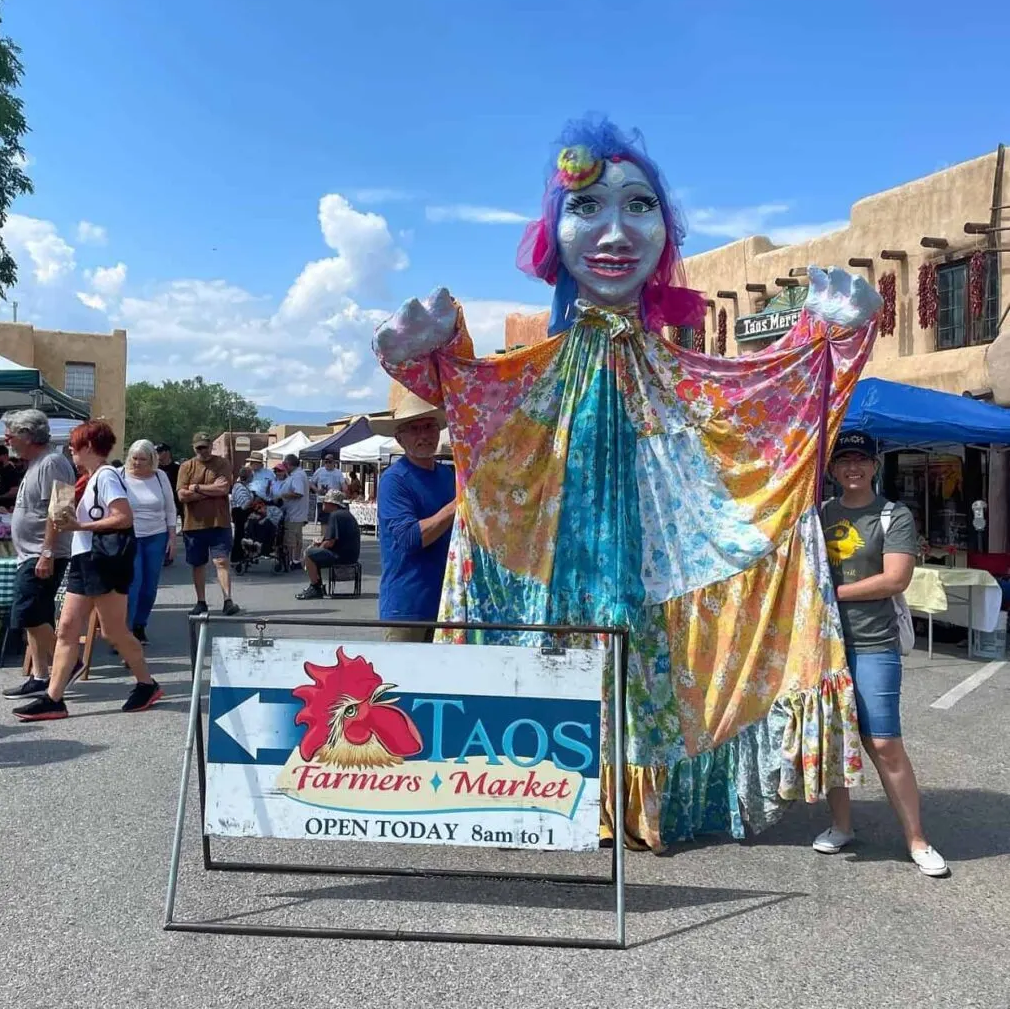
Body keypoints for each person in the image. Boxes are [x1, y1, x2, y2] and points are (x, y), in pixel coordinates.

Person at [373, 115, 883, 851]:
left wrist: (820, 339)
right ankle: (545, 787)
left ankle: (648, 799)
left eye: (639, 206)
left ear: (664, 234)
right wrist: (435, 356)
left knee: (653, 650)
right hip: (560, 558)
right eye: (587, 207)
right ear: (555, 233)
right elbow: (477, 406)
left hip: (656, 563)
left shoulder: (677, 372)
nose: (615, 232)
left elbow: (765, 409)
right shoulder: (534, 372)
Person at [816, 431, 947, 877]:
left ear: (875, 467)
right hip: (825, 645)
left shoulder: (894, 516)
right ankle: (841, 825)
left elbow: (895, 580)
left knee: (884, 741)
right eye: (844, 459)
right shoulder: (819, 514)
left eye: (861, 460)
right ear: (832, 469)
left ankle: (917, 839)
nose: (853, 467)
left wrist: (832, 593)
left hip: (874, 643)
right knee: (834, 736)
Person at [13, 420, 162, 721]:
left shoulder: (105, 476)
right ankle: (54, 698)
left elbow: (123, 517)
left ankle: (147, 683)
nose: (70, 448)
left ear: (90, 446)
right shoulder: (91, 477)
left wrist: (81, 525)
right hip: (86, 561)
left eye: (75, 443)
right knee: (67, 628)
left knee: (114, 631)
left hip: (101, 562)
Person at [1, 410, 77, 701]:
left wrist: (46, 552)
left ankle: (67, 663)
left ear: (30, 435)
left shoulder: (53, 463)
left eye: (13, 432)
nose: (7, 438)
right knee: (37, 616)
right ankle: (40, 676)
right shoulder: (36, 463)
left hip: (44, 553)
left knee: (27, 613)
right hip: (30, 553)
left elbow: (59, 509)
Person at [367, 393, 455, 641]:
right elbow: (410, 539)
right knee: (402, 679)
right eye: (414, 429)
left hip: (448, 606)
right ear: (399, 438)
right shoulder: (394, 480)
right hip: (407, 609)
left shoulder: (448, 476)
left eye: (429, 426)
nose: (424, 435)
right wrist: (456, 506)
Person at [177, 432, 239, 616]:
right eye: (199, 448)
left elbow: (224, 488)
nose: (203, 451)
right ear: (194, 448)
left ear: (211, 446)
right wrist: (211, 491)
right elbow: (181, 495)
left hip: (219, 522)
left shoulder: (222, 463)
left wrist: (195, 488)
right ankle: (201, 601)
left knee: (221, 561)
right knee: (198, 564)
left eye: (205, 446)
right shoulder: (187, 466)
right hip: (194, 524)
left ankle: (228, 600)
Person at [122, 439, 177, 644]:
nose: (137, 463)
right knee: (132, 584)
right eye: (134, 458)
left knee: (150, 586)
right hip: (130, 536)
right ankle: (124, 631)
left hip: (157, 535)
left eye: (142, 459)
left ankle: (140, 624)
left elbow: (170, 509)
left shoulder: (160, 477)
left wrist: (172, 538)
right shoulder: (120, 476)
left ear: (151, 460)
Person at [296, 490, 361, 600]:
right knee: (314, 552)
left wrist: (316, 549)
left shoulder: (335, 515)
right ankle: (317, 584)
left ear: (332, 504)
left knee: (309, 553)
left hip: (341, 556)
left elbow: (330, 542)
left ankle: (315, 587)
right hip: (350, 555)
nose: (323, 504)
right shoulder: (345, 514)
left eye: (325, 502)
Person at [281, 453, 310, 568]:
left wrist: (283, 495)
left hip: (294, 513)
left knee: (291, 539)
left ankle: (291, 561)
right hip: (297, 512)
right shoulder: (297, 474)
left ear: (288, 464)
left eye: (285, 464)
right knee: (297, 538)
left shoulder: (297, 476)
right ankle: (295, 560)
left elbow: (298, 493)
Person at [310, 453, 345, 523]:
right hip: (322, 500)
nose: (327, 464)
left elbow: (343, 485)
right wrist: (317, 490)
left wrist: (344, 492)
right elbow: (311, 483)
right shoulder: (320, 471)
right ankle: (324, 533)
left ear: (334, 462)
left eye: (329, 462)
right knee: (324, 521)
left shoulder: (338, 472)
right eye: (326, 462)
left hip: (334, 501)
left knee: (334, 521)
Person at [230, 465, 254, 564]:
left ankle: (241, 554)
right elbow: (244, 505)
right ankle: (237, 556)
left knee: (241, 535)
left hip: (240, 512)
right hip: (240, 513)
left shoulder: (242, 486)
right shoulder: (240, 487)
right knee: (239, 535)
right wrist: (254, 500)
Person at [0, 442, 23, 511]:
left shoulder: (12, 471)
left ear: (5, 456)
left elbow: (14, 492)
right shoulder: (0, 470)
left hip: (6, 508)